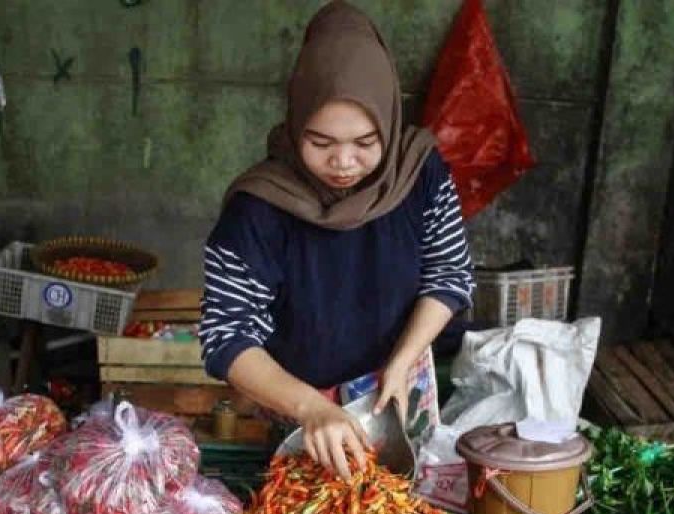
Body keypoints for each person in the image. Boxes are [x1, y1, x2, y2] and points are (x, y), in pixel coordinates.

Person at [199, 0, 474, 479]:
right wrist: (310, 409)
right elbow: (227, 335)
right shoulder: (259, 208)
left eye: (366, 143)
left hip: (400, 385)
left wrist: (402, 362)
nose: (344, 163)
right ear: (295, 120)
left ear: (389, 121)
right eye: (321, 143)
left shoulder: (419, 174)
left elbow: (448, 275)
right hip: (298, 402)